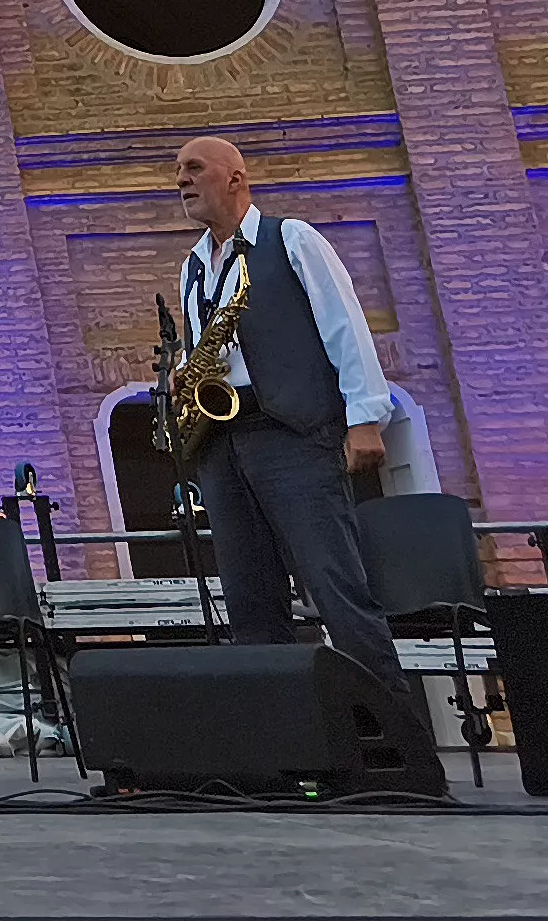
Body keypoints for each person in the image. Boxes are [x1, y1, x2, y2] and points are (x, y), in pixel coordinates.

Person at [172, 136, 434, 758]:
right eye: (177, 172)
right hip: (223, 441)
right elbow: (214, 344)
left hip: (292, 433)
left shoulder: (292, 240)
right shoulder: (192, 265)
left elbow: (343, 324)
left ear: (236, 178)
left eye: (193, 169)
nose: (181, 181)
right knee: (250, 598)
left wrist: (366, 417)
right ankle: (285, 750)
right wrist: (188, 370)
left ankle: (400, 751)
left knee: (335, 588)